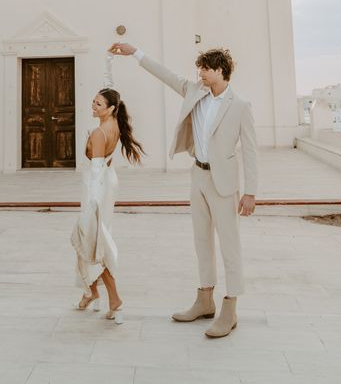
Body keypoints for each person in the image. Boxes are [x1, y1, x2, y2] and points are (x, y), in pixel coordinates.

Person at [109, 43, 258, 338]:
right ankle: (205, 300)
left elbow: (251, 151)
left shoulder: (240, 106)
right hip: (198, 176)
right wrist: (135, 52)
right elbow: (165, 74)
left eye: (205, 68)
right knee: (201, 241)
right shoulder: (194, 91)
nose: (200, 73)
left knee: (230, 245)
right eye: (199, 68)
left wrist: (250, 192)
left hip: (225, 183)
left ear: (220, 71)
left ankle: (230, 307)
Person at [70, 53, 144, 325]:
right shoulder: (112, 122)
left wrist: (90, 207)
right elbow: (109, 89)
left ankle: (113, 298)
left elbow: (97, 173)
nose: (93, 105)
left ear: (110, 108)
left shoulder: (99, 134)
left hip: (97, 192)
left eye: (97, 103)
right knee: (89, 244)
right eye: (93, 101)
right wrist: (107, 63)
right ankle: (91, 292)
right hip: (107, 186)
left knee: (92, 244)